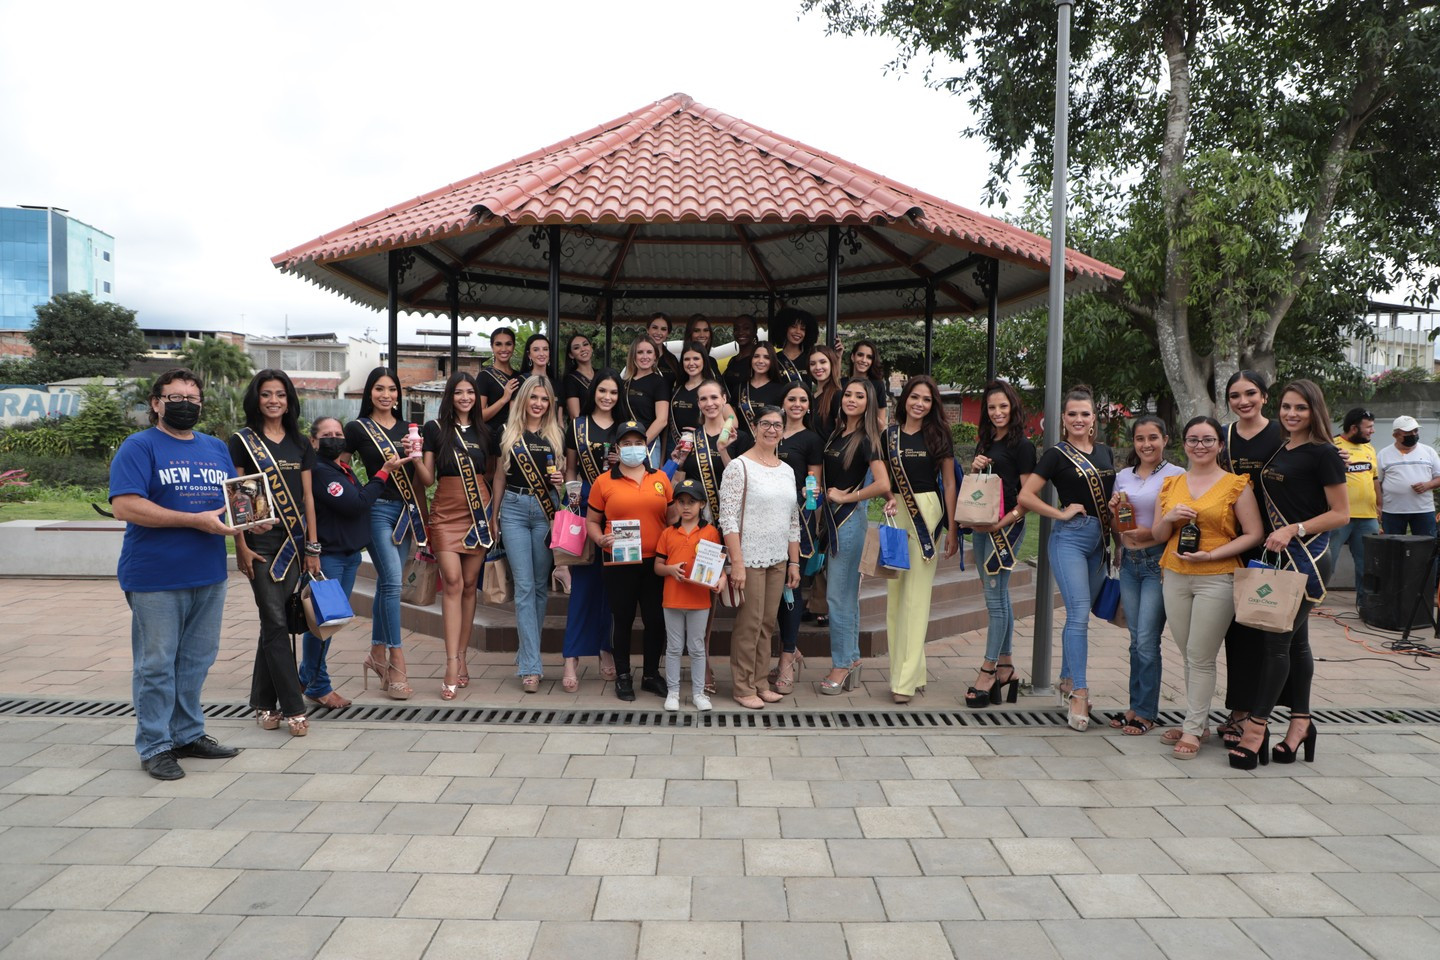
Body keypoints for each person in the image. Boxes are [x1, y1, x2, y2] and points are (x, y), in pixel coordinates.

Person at [109, 368, 245, 780]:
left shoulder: (215, 448)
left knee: (196, 661)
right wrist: (193, 520)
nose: (186, 403)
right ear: (156, 403)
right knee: (156, 665)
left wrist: (249, 519)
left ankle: (187, 733)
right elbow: (125, 506)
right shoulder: (139, 446)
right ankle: (155, 744)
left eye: (193, 397)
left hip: (208, 573)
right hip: (155, 576)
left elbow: (233, 498)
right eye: (176, 397)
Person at [1229, 380, 1348, 770]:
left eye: (1300, 408)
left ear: (1315, 410)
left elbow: (1340, 514)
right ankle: (1301, 724)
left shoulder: (1324, 453)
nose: (1291, 414)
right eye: (1286, 407)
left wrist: (1293, 529)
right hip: (1280, 558)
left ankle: (1256, 729)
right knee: (1297, 645)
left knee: (1275, 646)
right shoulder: (1284, 446)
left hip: (1308, 557)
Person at [1151, 416, 1264, 759]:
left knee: (1201, 656)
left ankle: (1192, 729)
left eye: (1208, 440)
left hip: (1217, 576)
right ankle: (1196, 722)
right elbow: (1157, 535)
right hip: (1174, 574)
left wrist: (1211, 553)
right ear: (1183, 444)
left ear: (1220, 445)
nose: (1200, 446)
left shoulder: (1236, 484)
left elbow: (1253, 534)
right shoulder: (1171, 484)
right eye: (1193, 440)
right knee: (1187, 654)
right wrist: (1169, 520)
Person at [1018, 385, 1116, 731]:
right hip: (1070, 539)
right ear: (1062, 419)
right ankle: (1079, 692)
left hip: (1100, 541)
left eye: (1084, 414)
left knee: (1081, 611)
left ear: (1094, 419)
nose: (1078, 419)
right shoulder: (1056, 454)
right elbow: (1026, 495)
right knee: (1077, 614)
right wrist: (1058, 514)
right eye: (1072, 414)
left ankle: (1065, 678)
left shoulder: (1105, 452)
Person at [230, 369, 322, 737]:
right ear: (257, 398)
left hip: (295, 542)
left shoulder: (301, 443)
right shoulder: (242, 441)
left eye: (280, 395)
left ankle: (264, 702)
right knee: (275, 621)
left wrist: (313, 547)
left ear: (289, 400)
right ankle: (294, 708)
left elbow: (309, 498)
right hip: (261, 544)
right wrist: (239, 545)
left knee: (276, 623)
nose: (273, 401)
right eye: (266, 394)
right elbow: (235, 496)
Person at [301, 417, 399, 709]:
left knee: (330, 622)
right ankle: (319, 685)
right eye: (327, 434)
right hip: (329, 559)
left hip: (347, 556)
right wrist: (383, 473)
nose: (334, 438)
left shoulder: (338, 469)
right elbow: (356, 503)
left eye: (338, 433)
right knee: (323, 624)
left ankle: (306, 677)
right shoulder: (321, 472)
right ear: (314, 441)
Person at [345, 367, 429, 700]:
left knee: (386, 584)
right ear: (369, 393)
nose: (386, 395)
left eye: (392, 389)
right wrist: (359, 495)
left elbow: (424, 480)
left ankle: (376, 654)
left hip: (406, 514)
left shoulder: (410, 429)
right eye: (379, 389)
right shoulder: (357, 428)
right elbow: (340, 467)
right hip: (377, 509)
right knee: (393, 581)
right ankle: (396, 660)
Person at [1104, 416, 1185, 736]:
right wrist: (1113, 512)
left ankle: (1147, 711)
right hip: (1129, 563)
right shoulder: (1123, 476)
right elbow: (1117, 527)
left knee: (1148, 640)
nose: (1146, 444)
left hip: (1158, 564)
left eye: (1153, 437)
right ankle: (1135, 706)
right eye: (1140, 438)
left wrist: (1147, 535)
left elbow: (1176, 526)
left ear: (1165, 439)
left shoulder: (1177, 475)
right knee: (1136, 640)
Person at [1217, 370, 1286, 746]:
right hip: (1238, 541)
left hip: (1277, 542)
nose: (1243, 402)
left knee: (1276, 634)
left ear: (1263, 395)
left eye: (1250, 394)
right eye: (1235, 396)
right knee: (1239, 630)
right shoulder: (1225, 436)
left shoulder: (1282, 432)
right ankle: (1240, 712)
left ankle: (1270, 713)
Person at [880, 376, 959, 704]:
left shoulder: (939, 435)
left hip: (926, 512)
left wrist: (953, 528)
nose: (919, 404)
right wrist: (886, 495)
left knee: (916, 598)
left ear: (933, 404)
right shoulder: (890, 435)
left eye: (926, 399)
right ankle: (914, 670)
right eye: (915, 397)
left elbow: (950, 484)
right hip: (896, 513)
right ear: (905, 399)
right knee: (896, 597)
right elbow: (882, 476)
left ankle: (904, 681)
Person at [720, 406, 802, 709]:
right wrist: (737, 563)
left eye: (777, 425)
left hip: (778, 558)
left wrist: (794, 561)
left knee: (767, 623)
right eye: (765, 424)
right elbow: (727, 518)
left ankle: (758, 683)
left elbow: (793, 520)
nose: (771, 429)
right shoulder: (739, 467)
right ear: (754, 428)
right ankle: (742, 687)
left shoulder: (787, 470)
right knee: (749, 624)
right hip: (749, 557)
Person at [587, 420, 674, 701]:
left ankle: (651, 674)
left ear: (646, 447)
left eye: (639, 443)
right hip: (620, 563)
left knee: (655, 620)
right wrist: (600, 539)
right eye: (627, 443)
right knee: (622, 619)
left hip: (656, 563)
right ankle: (623, 675)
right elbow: (592, 521)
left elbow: (671, 517)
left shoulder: (661, 478)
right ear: (617, 447)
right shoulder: (603, 482)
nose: (634, 448)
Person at [492, 375, 566, 692]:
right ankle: (531, 668)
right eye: (533, 398)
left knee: (538, 587)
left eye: (544, 399)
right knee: (523, 587)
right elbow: (498, 477)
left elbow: (563, 481)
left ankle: (528, 655)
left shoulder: (556, 435)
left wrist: (561, 481)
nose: (538, 403)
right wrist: (493, 515)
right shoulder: (508, 432)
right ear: (524, 400)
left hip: (545, 511)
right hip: (513, 508)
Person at [421, 372, 492, 700]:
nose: (465, 397)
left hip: (478, 514)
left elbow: (492, 476)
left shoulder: (485, 432)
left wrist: (493, 515)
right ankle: (450, 662)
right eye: (459, 392)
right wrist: (411, 456)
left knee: (468, 585)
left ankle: (463, 656)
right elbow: (426, 477)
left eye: (470, 392)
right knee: (450, 581)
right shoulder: (434, 430)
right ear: (449, 396)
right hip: (445, 514)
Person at [965, 380, 1035, 709]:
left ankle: (988, 669)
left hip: (1006, 529)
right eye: (992, 408)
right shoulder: (987, 440)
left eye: (1003, 407)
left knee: (994, 601)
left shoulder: (1022, 445)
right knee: (999, 596)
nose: (997, 413)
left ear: (1013, 407)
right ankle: (1006, 667)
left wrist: (1003, 522)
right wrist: (975, 464)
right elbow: (981, 486)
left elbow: (1027, 498)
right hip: (982, 525)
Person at [819, 378, 891, 694]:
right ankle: (851, 658)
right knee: (846, 595)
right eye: (848, 394)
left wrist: (848, 497)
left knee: (838, 596)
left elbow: (883, 484)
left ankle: (841, 664)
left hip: (848, 522)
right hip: (831, 521)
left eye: (859, 396)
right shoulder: (838, 432)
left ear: (869, 403)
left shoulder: (867, 439)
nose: (851, 399)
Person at [561, 371, 621, 690]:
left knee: (611, 588)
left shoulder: (625, 428)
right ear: (593, 392)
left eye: (613, 391)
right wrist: (571, 501)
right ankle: (571, 657)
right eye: (602, 390)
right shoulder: (577, 425)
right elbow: (571, 467)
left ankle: (605, 649)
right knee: (583, 587)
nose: (607, 396)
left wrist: (621, 461)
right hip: (584, 508)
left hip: (618, 512)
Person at [655, 478, 726, 711]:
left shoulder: (711, 532)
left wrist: (721, 580)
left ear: (702, 504)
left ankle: (698, 693)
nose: (686, 506)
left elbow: (718, 566)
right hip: (672, 599)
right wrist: (669, 570)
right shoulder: (668, 533)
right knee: (674, 647)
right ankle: (673, 692)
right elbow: (657, 566)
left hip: (699, 600)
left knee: (697, 647)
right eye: (681, 501)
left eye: (692, 502)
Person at [772, 382, 824, 693]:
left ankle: (787, 657)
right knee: (768, 589)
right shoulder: (770, 431)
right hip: (765, 521)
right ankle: (787, 649)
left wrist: (809, 493)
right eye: (791, 398)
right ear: (783, 401)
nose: (797, 403)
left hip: (797, 521)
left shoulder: (811, 439)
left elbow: (813, 483)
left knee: (790, 589)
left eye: (803, 399)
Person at [1328, 408, 1380, 583]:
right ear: (1353, 428)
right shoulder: (1332, 446)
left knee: (1368, 565)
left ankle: (1365, 606)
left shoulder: (1369, 448)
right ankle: (1313, 603)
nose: (1372, 430)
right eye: (1369, 427)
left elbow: (1374, 479)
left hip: (1368, 517)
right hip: (1338, 517)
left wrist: (1379, 506)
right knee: (1327, 562)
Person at [1377, 414, 1440, 536]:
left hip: (1423, 510)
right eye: (1408, 432)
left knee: (1425, 547)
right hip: (1392, 511)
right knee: (1392, 547)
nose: (1413, 434)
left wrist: (1428, 485)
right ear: (1395, 435)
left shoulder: (1429, 452)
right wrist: (1378, 506)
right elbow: (1377, 483)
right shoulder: (1383, 454)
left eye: (1415, 430)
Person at [671, 342, 735, 447]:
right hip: (677, 446)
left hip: (704, 446)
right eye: (687, 359)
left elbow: (733, 421)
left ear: (704, 361)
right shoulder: (677, 388)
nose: (691, 363)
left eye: (696, 359)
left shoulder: (711, 388)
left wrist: (706, 432)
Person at [621, 336, 671, 467]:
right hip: (625, 444)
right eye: (640, 352)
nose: (645, 356)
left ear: (655, 356)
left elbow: (662, 420)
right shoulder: (624, 383)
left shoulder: (660, 382)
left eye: (649, 352)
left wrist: (641, 444)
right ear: (633, 355)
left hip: (648, 444)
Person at [479, 327, 521, 471]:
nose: (504, 349)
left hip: (516, 435)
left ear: (513, 346)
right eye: (498, 344)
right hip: (491, 436)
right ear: (492, 347)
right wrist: (504, 398)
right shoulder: (484, 376)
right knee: (491, 477)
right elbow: (479, 415)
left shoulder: (520, 377)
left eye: (508, 344)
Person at [736, 342, 788, 432]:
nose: (760, 361)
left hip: (769, 442)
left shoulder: (780, 390)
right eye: (756, 356)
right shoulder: (740, 388)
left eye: (766, 357)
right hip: (742, 444)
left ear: (772, 361)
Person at [770, 307, 816, 386]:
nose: (798, 332)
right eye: (793, 327)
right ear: (784, 328)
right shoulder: (774, 359)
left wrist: (838, 358)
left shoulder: (810, 359)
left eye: (802, 329)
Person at [848, 339, 889, 424]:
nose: (864, 360)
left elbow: (881, 424)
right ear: (853, 357)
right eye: (860, 355)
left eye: (869, 357)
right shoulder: (842, 383)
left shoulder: (878, 385)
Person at [808, 345, 844, 440]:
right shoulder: (810, 397)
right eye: (812, 363)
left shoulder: (837, 395)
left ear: (832, 363)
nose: (817, 367)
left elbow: (841, 433)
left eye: (823, 362)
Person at [561, 333, 598, 421]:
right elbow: (575, 416)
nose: (583, 349)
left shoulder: (601, 374)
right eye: (577, 348)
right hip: (584, 429)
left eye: (585, 344)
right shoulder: (571, 380)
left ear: (591, 347)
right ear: (571, 355)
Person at [722, 313, 759, 398]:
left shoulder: (757, 360)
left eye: (746, 328)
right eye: (736, 329)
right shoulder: (732, 361)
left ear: (754, 331)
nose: (740, 332)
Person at [682, 315, 725, 383]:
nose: (702, 335)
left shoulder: (712, 361)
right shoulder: (685, 364)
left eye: (706, 330)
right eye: (696, 331)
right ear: (689, 334)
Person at [646, 312, 683, 383]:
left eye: (663, 329)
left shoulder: (672, 360)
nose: (658, 332)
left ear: (668, 333)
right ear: (648, 329)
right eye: (655, 327)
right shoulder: (638, 357)